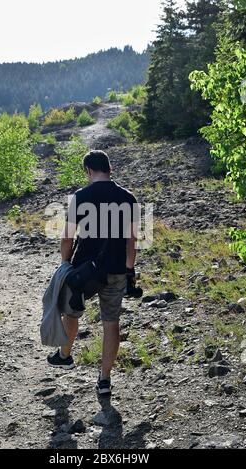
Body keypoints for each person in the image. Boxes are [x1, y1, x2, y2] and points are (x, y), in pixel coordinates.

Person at [47, 149, 138, 396]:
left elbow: (67, 237)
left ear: (88, 170)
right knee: (111, 322)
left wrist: (65, 264)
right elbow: (132, 240)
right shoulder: (128, 197)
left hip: (84, 271)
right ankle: (105, 380)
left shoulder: (81, 196)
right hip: (117, 269)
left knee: (72, 312)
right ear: (110, 169)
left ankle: (65, 354)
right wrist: (130, 271)